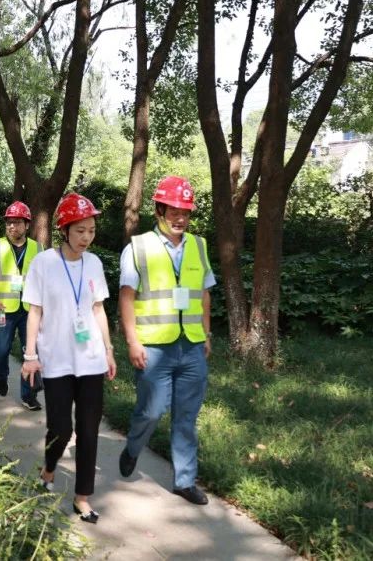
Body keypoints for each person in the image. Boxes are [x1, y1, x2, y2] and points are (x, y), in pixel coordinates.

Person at [117, 176, 216, 506]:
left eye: (185, 213)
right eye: (174, 211)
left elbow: (203, 293)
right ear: (159, 211)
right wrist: (132, 341)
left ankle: (185, 481)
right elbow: (127, 296)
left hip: (191, 347)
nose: (180, 218)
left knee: (186, 417)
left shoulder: (198, 246)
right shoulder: (138, 247)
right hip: (154, 347)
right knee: (151, 411)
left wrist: (206, 333)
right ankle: (133, 448)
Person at [21, 193, 116, 524]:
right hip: (56, 360)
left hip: (90, 359)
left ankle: (82, 497)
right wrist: (30, 354)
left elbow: (98, 308)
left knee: (89, 430)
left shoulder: (94, 264)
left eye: (91, 230)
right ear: (64, 230)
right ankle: (49, 468)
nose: (87, 237)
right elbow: (35, 311)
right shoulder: (44, 263)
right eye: (80, 231)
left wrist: (108, 349)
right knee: (60, 428)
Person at [0, 201, 42, 408]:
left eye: (16, 222)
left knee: (31, 352)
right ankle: (2, 375)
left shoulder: (37, 248)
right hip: (3, 309)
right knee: (1, 351)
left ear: (27, 225)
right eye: (9, 222)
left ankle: (29, 395)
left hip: (29, 310)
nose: (11, 226)